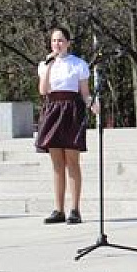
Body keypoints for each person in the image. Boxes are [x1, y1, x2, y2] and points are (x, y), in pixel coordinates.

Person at [35, 26, 93, 225]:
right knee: (57, 163)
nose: (57, 44)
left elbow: (84, 92)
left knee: (72, 161)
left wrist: (92, 104)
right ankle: (58, 209)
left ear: (68, 43)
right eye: (54, 41)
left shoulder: (78, 64)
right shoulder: (45, 64)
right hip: (52, 110)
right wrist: (48, 65)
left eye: (60, 40)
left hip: (72, 111)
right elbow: (43, 90)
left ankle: (75, 209)